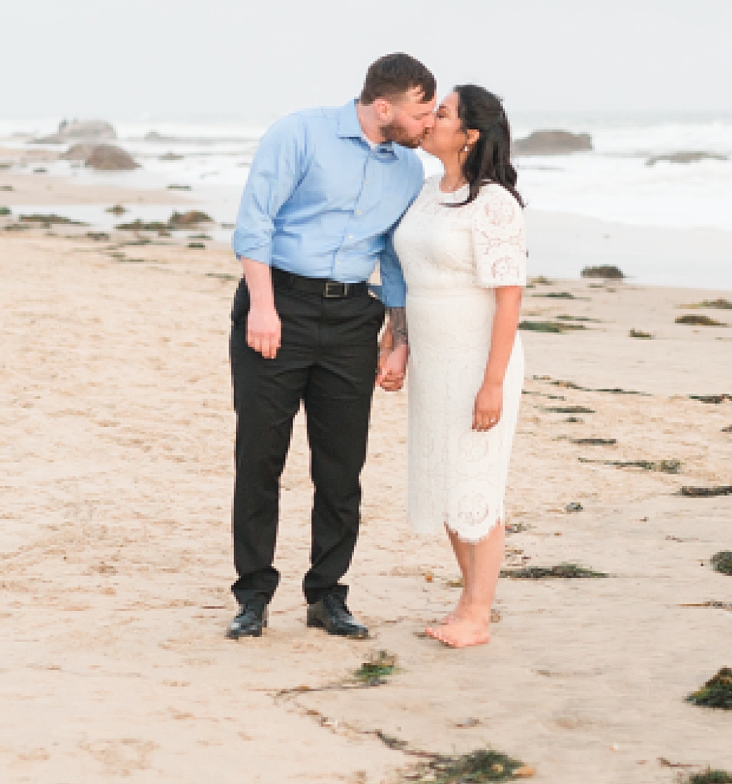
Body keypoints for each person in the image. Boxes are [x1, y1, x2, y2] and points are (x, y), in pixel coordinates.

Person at [225, 54, 436, 641]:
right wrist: (264, 308)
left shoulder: (408, 172)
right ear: (384, 106)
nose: (427, 124)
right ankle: (254, 596)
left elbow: (393, 258)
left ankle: (327, 595)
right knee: (260, 457)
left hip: (352, 318)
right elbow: (255, 223)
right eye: (421, 112)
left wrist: (399, 337)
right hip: (279, 305)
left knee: (342, 466)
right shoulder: (299, 133)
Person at [383, 85, 527, 649]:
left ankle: (479, 614)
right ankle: (468, 600)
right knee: (444, 480)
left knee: (477, 482)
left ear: (468, 135)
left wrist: (491, 383)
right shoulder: (425, 192)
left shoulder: (493, 203)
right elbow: (412, 280)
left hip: (477, 361)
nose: (430, 120)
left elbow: (509, 298)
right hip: (433, 359)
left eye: (440, 113)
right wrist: (398, 345)